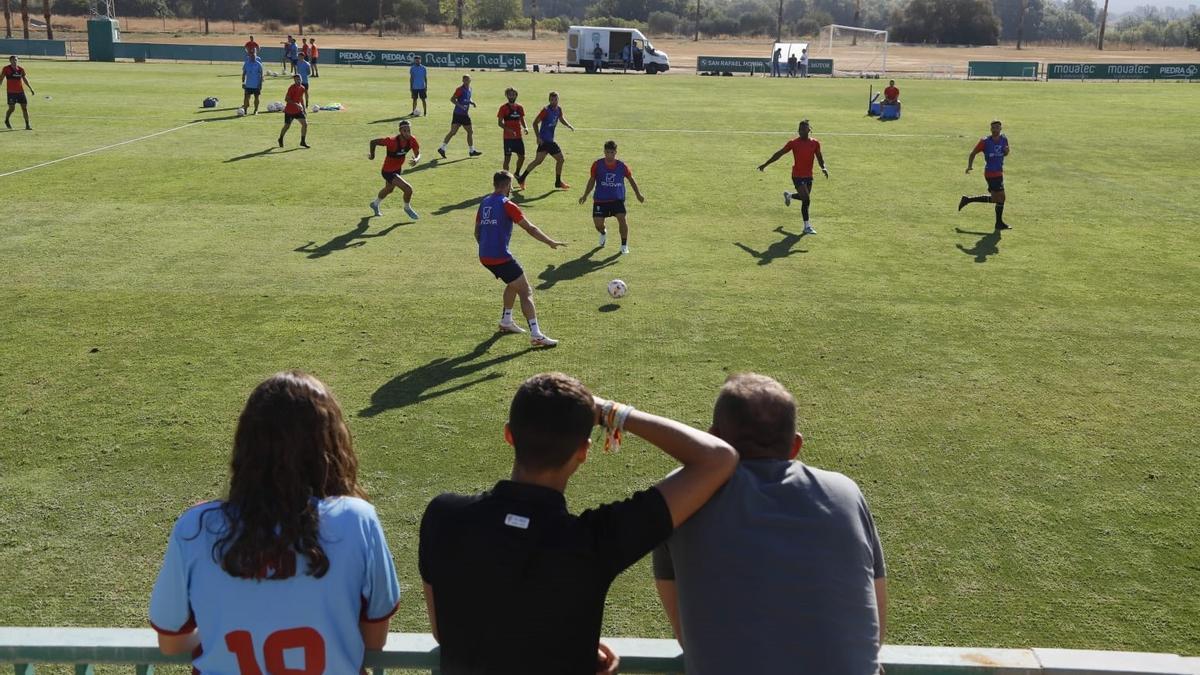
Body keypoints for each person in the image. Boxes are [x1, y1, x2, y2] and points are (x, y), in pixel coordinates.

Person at [419, 371, 738, 674]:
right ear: (584, 451)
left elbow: (444, 631)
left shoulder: (442, 515)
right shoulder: (593, 542)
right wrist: (612, 412)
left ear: (509, 435)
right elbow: (718, 459)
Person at [149, 370, 402, 674]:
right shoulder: (357, 519)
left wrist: (224, 630)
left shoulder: (195, 527)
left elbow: (171, 643)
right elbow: (373, 640)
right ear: (331, 446)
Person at [651, 373, 888, 675]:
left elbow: (688, 637)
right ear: (795, 446)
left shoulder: (681, 496)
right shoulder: (844, 493)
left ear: (712, 438)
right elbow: (874, 634)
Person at [473, 171, 566, 346]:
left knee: (513, 282)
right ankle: (536, 334)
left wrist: (486, 247)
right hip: (500, 257)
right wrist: (550, 242)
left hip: (484, 256)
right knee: (526, 291)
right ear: (507, 185)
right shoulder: (508, 204)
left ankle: (506, 321)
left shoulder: (484, 202)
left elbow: (477, 232)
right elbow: (529, 228)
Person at [758, 119, 827, 235]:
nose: (800, 131)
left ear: (809, 130)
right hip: (797, 175)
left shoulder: (815, 143)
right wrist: (765, 164)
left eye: (803, 129)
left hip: (808, 175)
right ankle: (807, 226)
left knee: (803, 197)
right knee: (806, 199)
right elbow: (779, 154)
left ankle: (789, 195)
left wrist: (823, 167)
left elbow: (819, 157)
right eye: (799, 129)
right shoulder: (793, 143)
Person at [579, 140, 645, 255]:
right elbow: (592, 180)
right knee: (598, 224)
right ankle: (603, 232)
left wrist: (638, 194)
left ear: (615, 152)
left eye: (612, 152)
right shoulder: (597, 165)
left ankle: (624, 245)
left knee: (622, 219)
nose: (609, 155)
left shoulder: (622, 166)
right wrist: (585, 195)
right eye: (607, 152)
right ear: (604, 152)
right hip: (600, 199)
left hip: (617, 200)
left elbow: (631, 179)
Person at [517, 91, 575, 191]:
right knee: (560, 159)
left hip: (547, 141)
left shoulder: (558, 109)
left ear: (558, 100)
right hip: (546, 141)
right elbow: (535, 123)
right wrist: (538, 137)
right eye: (552, 100)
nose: (554, 102)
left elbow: (560, 118)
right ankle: (558, 182)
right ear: (549, 100)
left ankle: (521, 178)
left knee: (537, 161)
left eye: (555, 99)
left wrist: (568, 125)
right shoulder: (545, 110)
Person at [960, 120, 1011, 230]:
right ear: (990, 129)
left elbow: (1006, 153)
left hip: (999, 172)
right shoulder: (985, 141)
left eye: (997, 127)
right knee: (1001, 198)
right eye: (993, 128)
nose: (995, 129)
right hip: (991, 173)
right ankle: (999, 223)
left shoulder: (1004, 139)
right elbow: (973, 153)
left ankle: (968, 199)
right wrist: (969, 166)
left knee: (996, 199)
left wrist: (1006, 151)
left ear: (1000, 129)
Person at [369, 120, 421, 220]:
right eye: (405, 130)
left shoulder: (412, 140)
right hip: (387, 171)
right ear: (400, 131)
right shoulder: (391, 141)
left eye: (409, 130)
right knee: (408, 189)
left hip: (397, 169)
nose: (408, 133)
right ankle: (407, 208)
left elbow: (418, 153)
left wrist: (416, 159)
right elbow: (373, 142)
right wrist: (372, 156)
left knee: (389, 189)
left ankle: (375, 204)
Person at [437, 75, 481, 159]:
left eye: (467, 80)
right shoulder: (460, 89)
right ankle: (471, 151)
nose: (466, 81)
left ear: (470, 80)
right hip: (459, 114)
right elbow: (452, 99)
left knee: (467, 132)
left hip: (463, 114)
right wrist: (461, 106)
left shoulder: (470, 89)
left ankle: (442, 148)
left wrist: (472, 102)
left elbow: (468, 98)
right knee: (457, 132)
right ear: (462, 81)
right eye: (464, 80)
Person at [497, 87, 529, 183]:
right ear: (507, 96)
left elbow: (522, 119)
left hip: (518, 137)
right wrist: (509, 130)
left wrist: (525, 127)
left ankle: (517, 173)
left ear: (516, 95)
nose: (511, 96)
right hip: (508, 138)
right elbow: (499, 123)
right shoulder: (503, 108)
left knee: (522, 157)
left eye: (513, 94)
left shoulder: (519, 108)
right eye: (509, 94)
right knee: (507, 159)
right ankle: (506, 180)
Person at [3, 55, 34, 130]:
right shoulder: (6, 69)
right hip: (11, 92)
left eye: (16, 60)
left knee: (24, 108)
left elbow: (24, 79)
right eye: (13, 60)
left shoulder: (21, 69)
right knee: (12, 109)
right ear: (10, 61)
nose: (15, 61)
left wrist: (30, 88)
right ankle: (7, 120)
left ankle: (27, 125)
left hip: (20, 92)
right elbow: (1, 78)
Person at [278, 74, 309, 148]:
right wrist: (296, 104)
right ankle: (281, 138)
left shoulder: (302, 88)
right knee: (287, 126)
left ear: (301, 79)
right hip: (289, 111)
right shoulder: (291, 88)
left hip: (298, 110)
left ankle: (302, 141)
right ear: (294, 80)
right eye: (296, 79)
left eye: (299, 79)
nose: (298, 80)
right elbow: (286, 99)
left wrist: (304, 109)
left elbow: (301, 98)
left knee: (305, 124)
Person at [241, 48, 263, 115]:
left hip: (256, 85)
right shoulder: (246, 64)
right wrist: (243, 83)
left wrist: (260, 84)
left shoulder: (259, 64)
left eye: (254, 56)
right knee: (246, 97)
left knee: (256, 97)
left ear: (256, 56)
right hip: (248, 84)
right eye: (251, 56)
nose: (253, 57)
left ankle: (256, 110)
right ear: (249, 56)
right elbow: (244, 74)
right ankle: (245, 110)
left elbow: (261, 75)